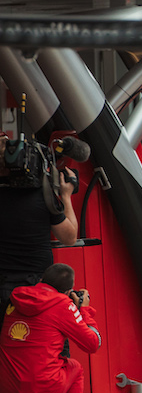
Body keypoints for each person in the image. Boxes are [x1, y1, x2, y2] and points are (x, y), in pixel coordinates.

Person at [0, 263, 100, 393]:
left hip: (8, 391)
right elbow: (93, 343)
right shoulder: (62, 304)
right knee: (74, 368)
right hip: (42, 387)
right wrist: (84, 309)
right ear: (68, 290)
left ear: (41, 280)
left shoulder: (17, 297)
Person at [0, 133, 79, 313]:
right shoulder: (43, 196)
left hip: (4, 289)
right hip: (39, 289)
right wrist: (66, 196)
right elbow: (69, 237)